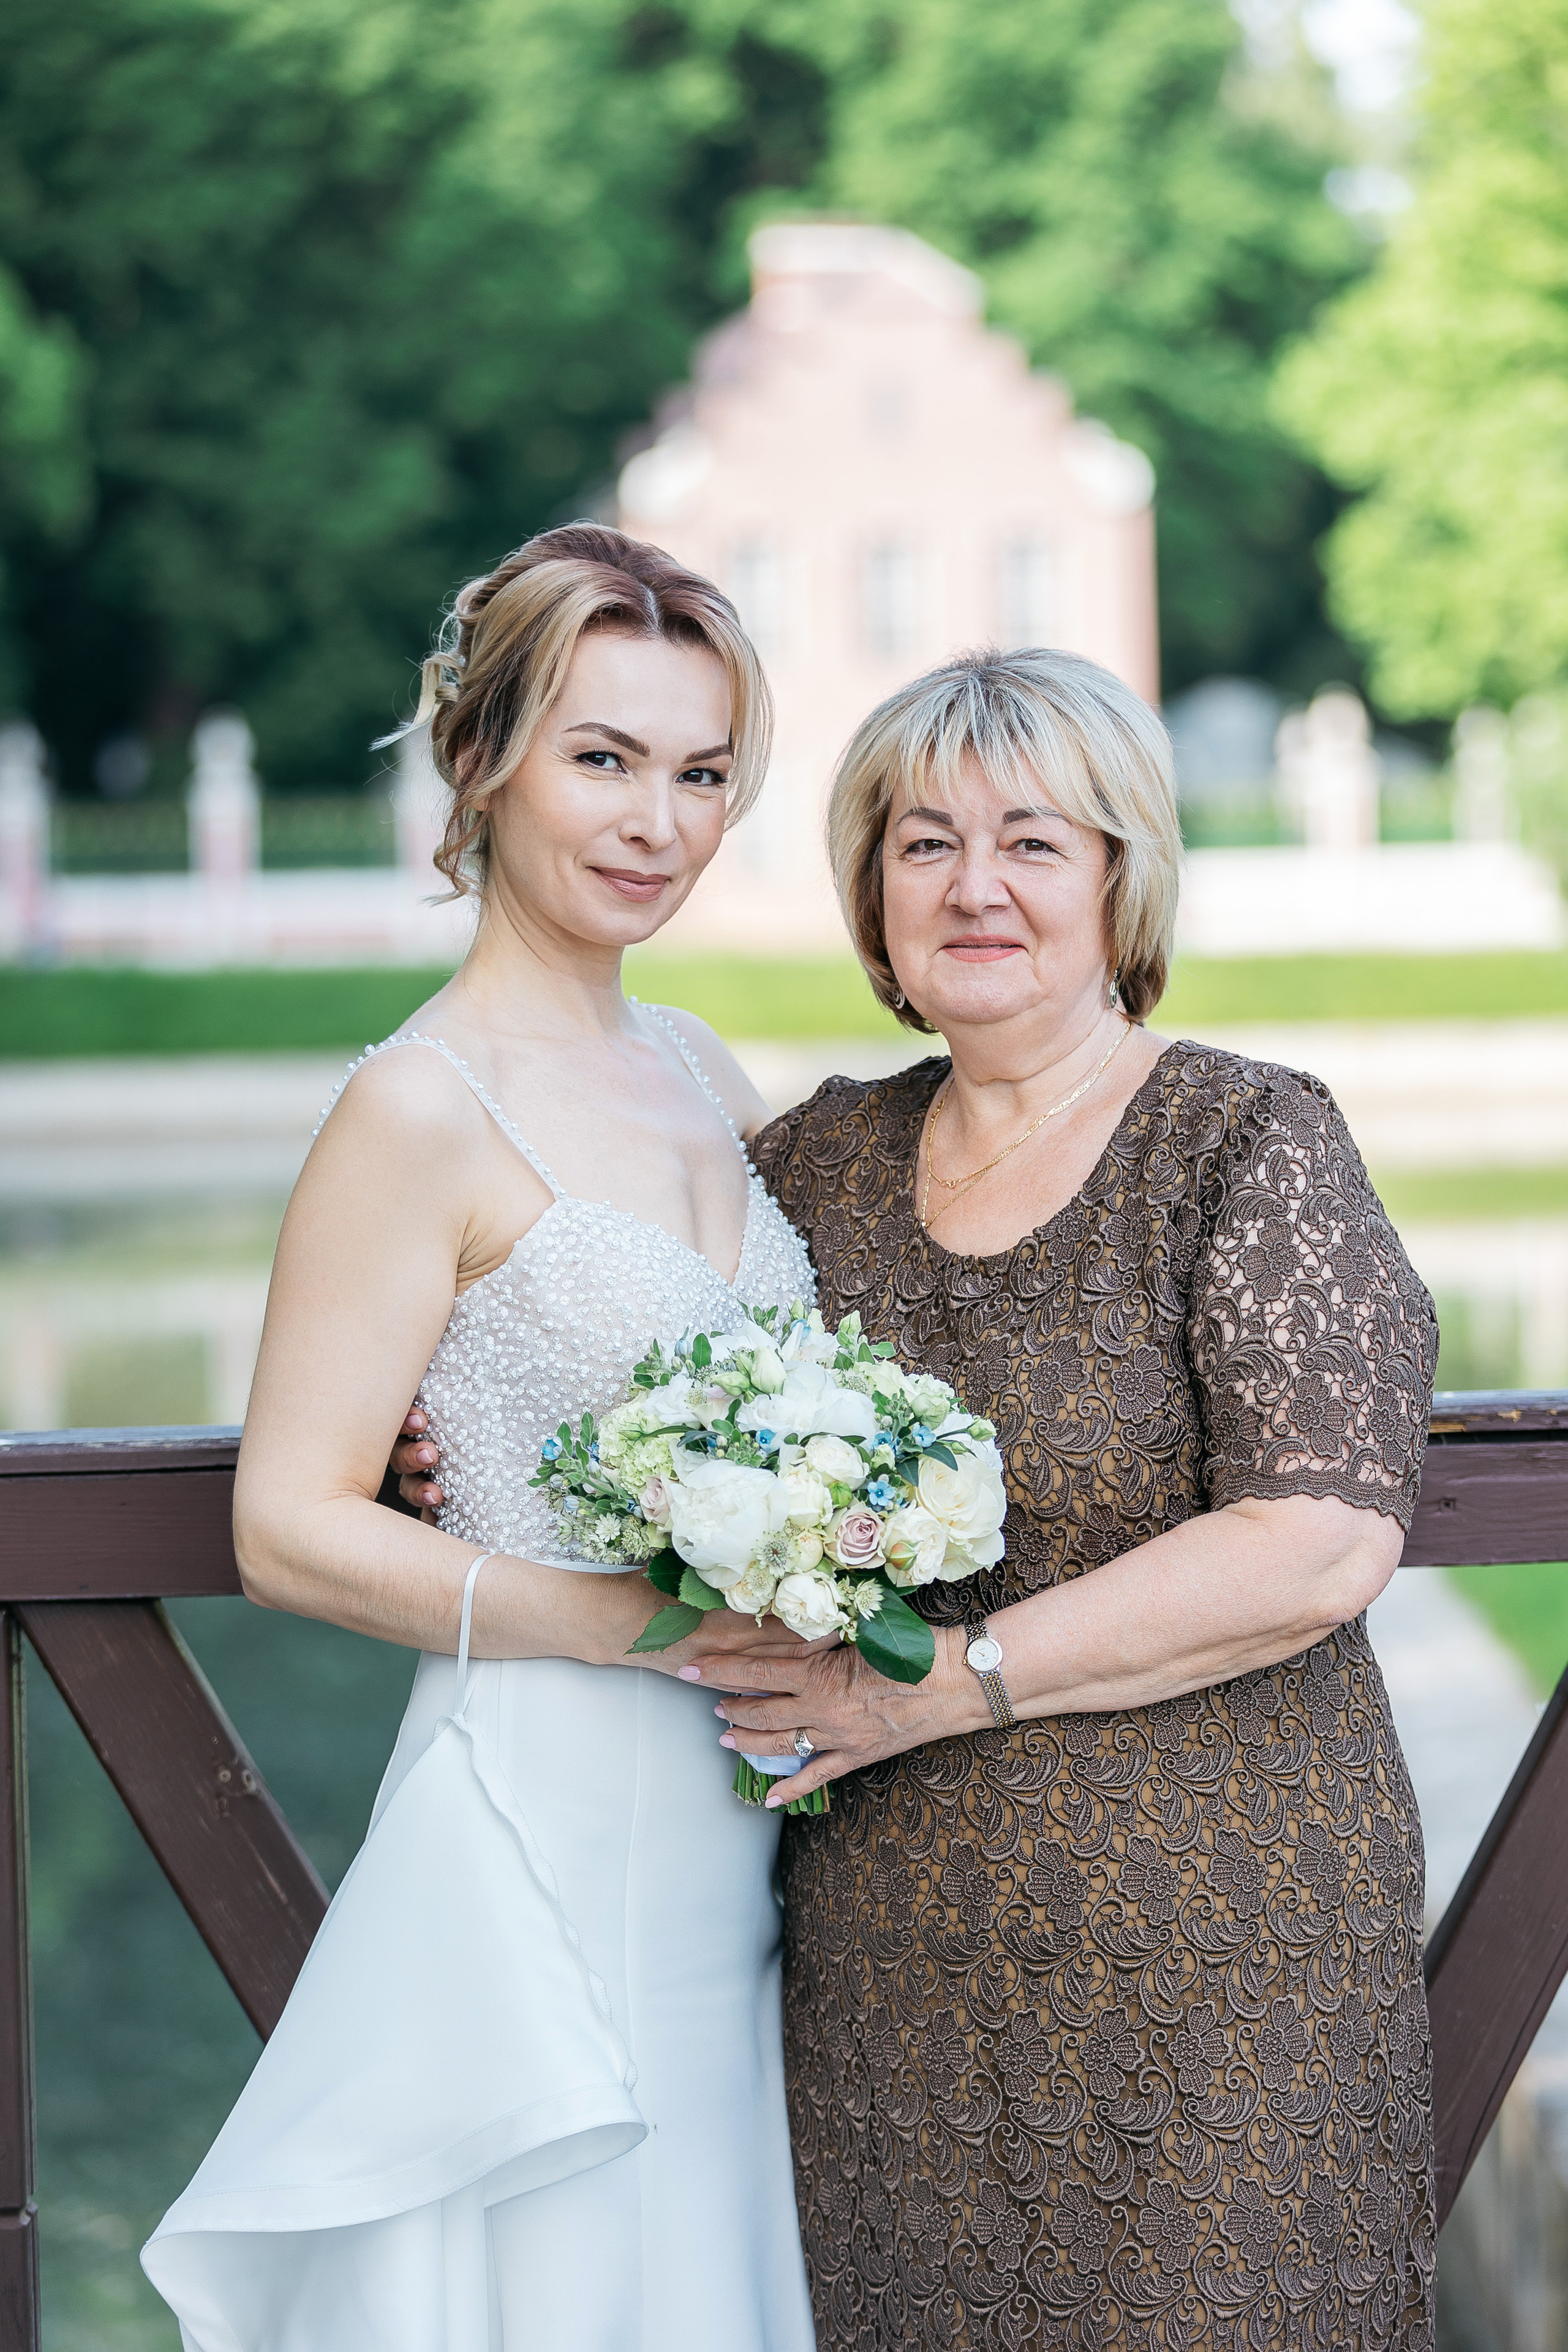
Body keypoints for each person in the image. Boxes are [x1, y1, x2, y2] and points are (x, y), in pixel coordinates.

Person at [692, 651, 1439, 2351]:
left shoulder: (1244, 1140)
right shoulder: (806, 1168)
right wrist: (428, 1453)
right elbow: (653, 1403)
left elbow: (1321, 1540)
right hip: (893, 1970)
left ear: (1122, 877)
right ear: (872, 892)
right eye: (925, 844)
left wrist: (948, 1684)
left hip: (1226, 1962)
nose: (975, 887)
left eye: (1033, 842)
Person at [141, 527, 821, 2352]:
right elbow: (289, 1523)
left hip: (744, 1820)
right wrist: (648, 1628)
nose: (657, 823)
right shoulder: (415, 1109)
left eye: (702, 775)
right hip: (551, 1799)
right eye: (603, 758)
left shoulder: (704, 1068)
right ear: (482, 760)